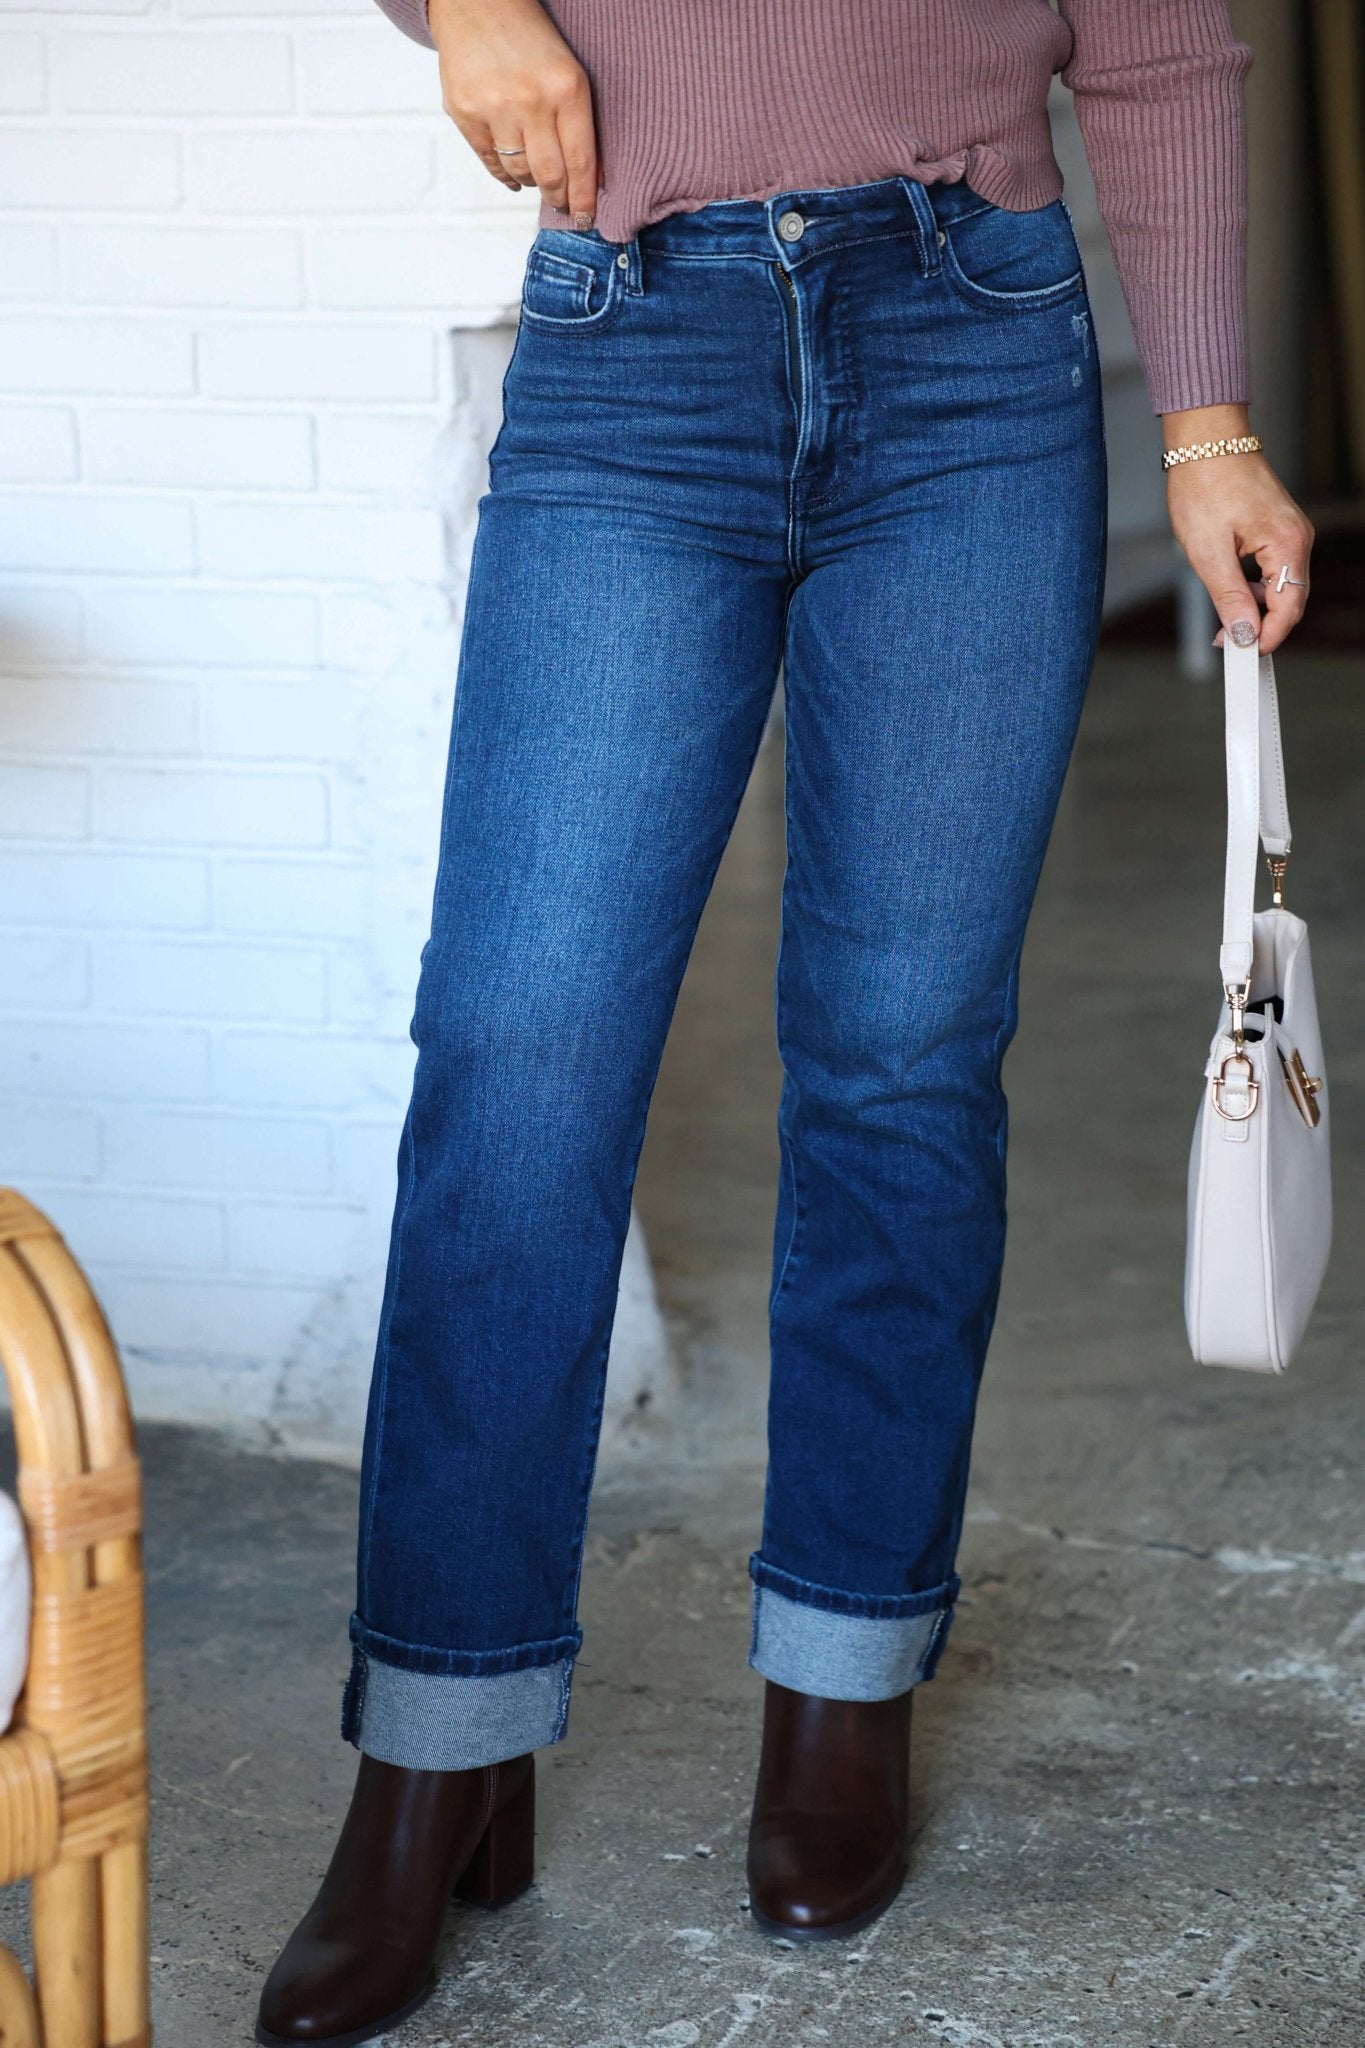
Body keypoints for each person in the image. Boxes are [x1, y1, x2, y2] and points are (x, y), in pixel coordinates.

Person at [256, 3, 1314, 2042]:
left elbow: (1168, 41)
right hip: (633, 330)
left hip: (969, 333)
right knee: (517, 1062)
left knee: (899, 1066)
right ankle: (436, 1750)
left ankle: (843, 1689)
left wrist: (1204, 422)